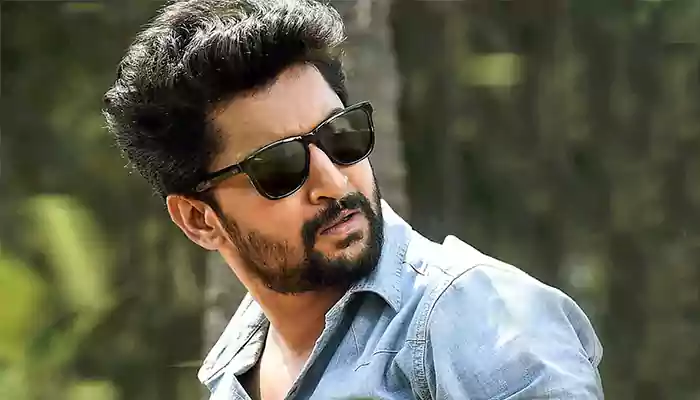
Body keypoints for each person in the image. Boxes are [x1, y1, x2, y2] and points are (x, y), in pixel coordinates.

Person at [102, 0, 604, 399]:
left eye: (340, 135)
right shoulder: (233, 368)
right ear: (198, 219)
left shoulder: (470, 317)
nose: (334, 183)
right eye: (280, 166)